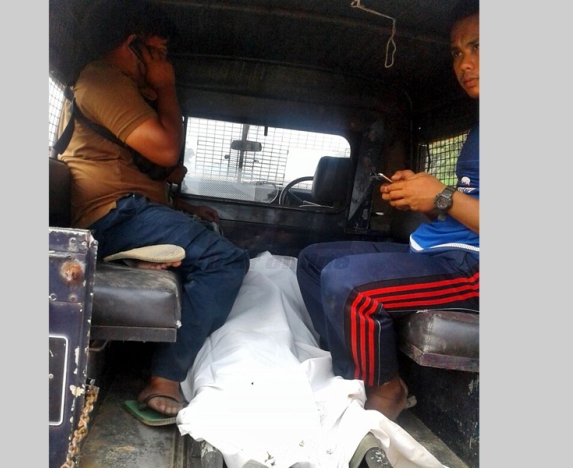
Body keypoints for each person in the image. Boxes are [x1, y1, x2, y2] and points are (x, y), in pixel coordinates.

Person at [57, 0, 250, 417]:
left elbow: (135, 167)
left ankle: (136, 258)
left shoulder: (123, 87)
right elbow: (165, 150)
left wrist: (183, 205)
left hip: (129, 210)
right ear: (132, 45)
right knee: (226, 261)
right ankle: (165, 378)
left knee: (209, 239)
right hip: (114, 215)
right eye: (158, 53)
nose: (165, 63)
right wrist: (166, 87)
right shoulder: (103, 79)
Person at [295, 0, 479, 421]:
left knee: (348, 283)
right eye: (457, 52)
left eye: (478, 47)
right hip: (441, 250)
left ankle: (387, 390)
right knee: (313, 261)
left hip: (476, 268)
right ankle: (351, 369)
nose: (464, 64)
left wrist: (443, 196)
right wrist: (425, 201)